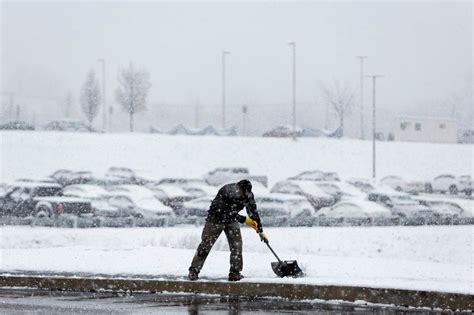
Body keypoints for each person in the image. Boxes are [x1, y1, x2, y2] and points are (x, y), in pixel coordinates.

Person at [188, 179, 267, 281]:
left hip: (232, 220)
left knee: (237, 245)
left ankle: (235, 273)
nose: (244, 196)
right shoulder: (226, 191)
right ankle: (193, 271)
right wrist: (243, 219)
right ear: (238, 188)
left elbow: (253, 212)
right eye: (242, 193)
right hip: (215, 219)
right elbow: (222, 211)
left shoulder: (249, 196)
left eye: (246, 194)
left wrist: (260, 230)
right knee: (206, 245)